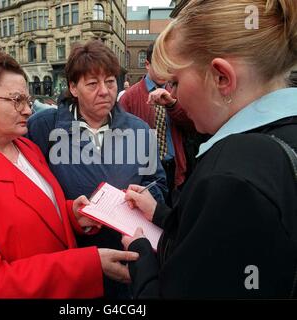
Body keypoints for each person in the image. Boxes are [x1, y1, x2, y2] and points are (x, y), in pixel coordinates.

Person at [0, 36, 139, 298]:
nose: (28, 110)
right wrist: (88, 264)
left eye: (27, 99)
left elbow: (37, 212)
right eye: (16, 100)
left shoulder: (26, 147)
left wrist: (71, 214)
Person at [122, 0, 297, 298]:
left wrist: (142, 259)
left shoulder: (230, 179)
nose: (172, 95)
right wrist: (163, 215)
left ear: (221, 78)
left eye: (175, 81)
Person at [27, 40, 167, 298]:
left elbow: (157, 182)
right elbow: (31, 189)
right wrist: (71, 210)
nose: (104, 91)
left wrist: (144, 198)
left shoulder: (138, 129)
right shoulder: (43, 127)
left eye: (111, 82)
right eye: (92, 84)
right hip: (74, 257)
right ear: (73, 87)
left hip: (126, 257)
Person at [119, 43, 204, 202]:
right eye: (159, 65)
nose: (164, 71)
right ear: (147, 64)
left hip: (175, 167)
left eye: (167, 66)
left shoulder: (177, 91)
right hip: (147, 170)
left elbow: (192, 126)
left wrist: (172, 104)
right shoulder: (129, 97)